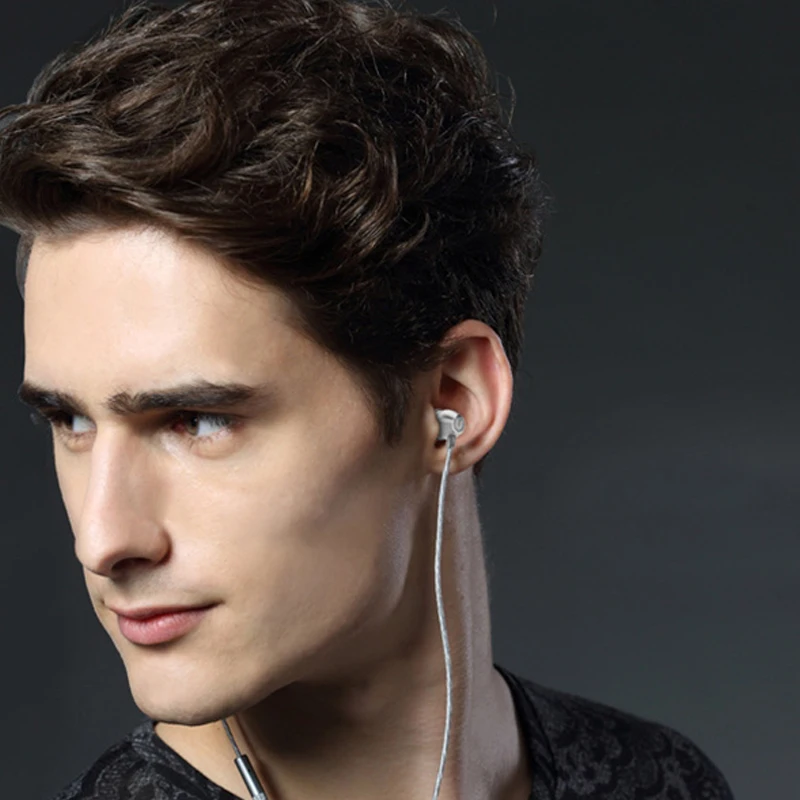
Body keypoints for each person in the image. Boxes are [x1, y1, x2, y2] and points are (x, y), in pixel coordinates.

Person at [0, 1, 734, 798]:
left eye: (198, 420)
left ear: (454, 400)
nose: (103, 539)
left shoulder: (659, 780)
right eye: (70, 420)